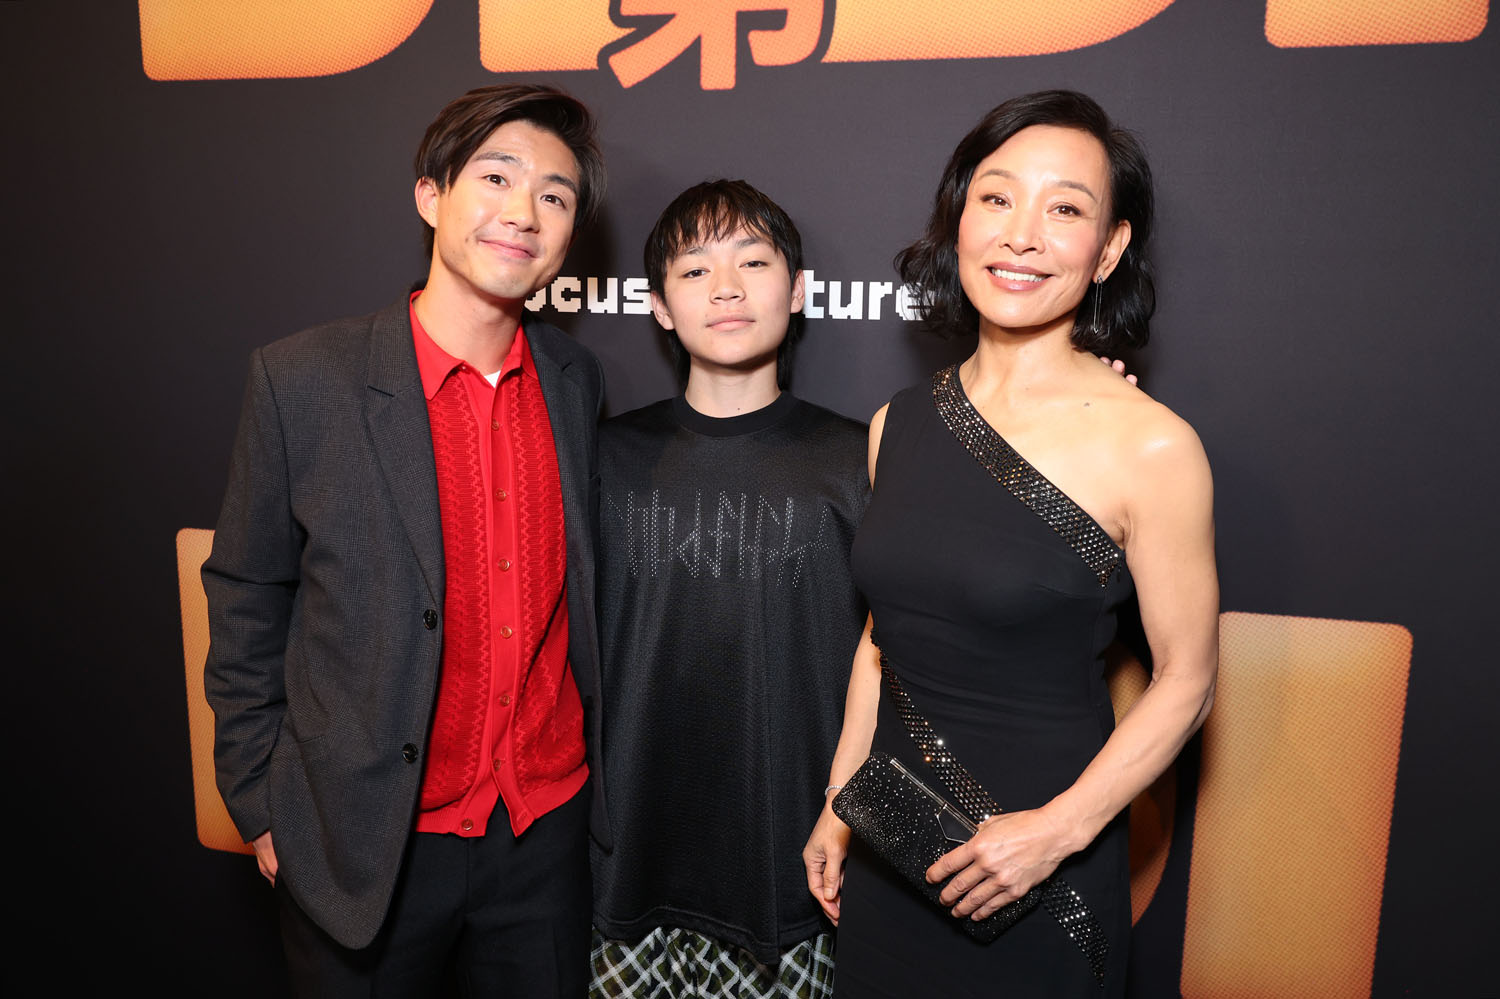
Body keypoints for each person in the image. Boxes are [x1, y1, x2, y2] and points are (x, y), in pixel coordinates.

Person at [802, 90, 1219, 997]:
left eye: (1064, 209)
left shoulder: (1152, 446)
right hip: (893, 852)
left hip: (1044, 876)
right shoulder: (897, 423)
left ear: (1108, 248)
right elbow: (881, 641)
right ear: (959, 218)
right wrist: (840, 800)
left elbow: (1187, 680)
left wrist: (1055, 833)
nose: (1021, 235)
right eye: (996, 198)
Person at [202, 83, 610, 997]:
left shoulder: (575, 380)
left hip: (542, 833)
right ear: (431, 195)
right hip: (361, 840)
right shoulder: (303, 378)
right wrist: (262, 802)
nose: (523, 210)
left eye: (554, 194)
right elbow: (246, 593)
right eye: (496, 177)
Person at [589, 180, 869, 998]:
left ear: (799, 289)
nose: (726, 288)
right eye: (694, 269)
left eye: (753, 262)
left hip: (796, 872)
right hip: (625, 869)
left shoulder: (863, 457)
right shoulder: (599, 456)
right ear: (659, 306)